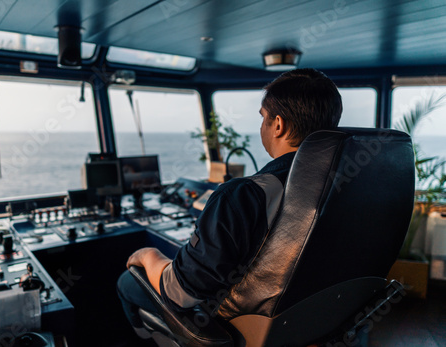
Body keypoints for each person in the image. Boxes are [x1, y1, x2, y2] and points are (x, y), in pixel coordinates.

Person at [117, 68, 343, 337]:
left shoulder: (244, 195)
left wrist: (148, 255)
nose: (262, 127)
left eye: (264, 118)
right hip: (316, 318)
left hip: (240, 327)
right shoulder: (348, 185)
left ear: (278, 125)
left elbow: (180, 293)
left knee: (127, 280)